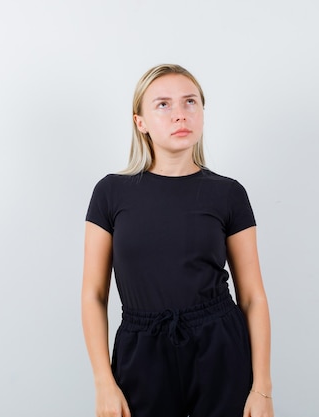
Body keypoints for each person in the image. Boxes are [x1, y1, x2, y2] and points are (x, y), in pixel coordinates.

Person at [81, 64, 274, 417]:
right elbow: (93, 294)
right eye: (163, 105)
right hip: (141, 351)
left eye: (190, 102)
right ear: (140, 121)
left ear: (202, 113)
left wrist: (262, 389)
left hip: (218, 347)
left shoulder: (229, 194)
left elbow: (252, 297)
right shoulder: (110, 193)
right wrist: (103, 383)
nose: (180, 115)